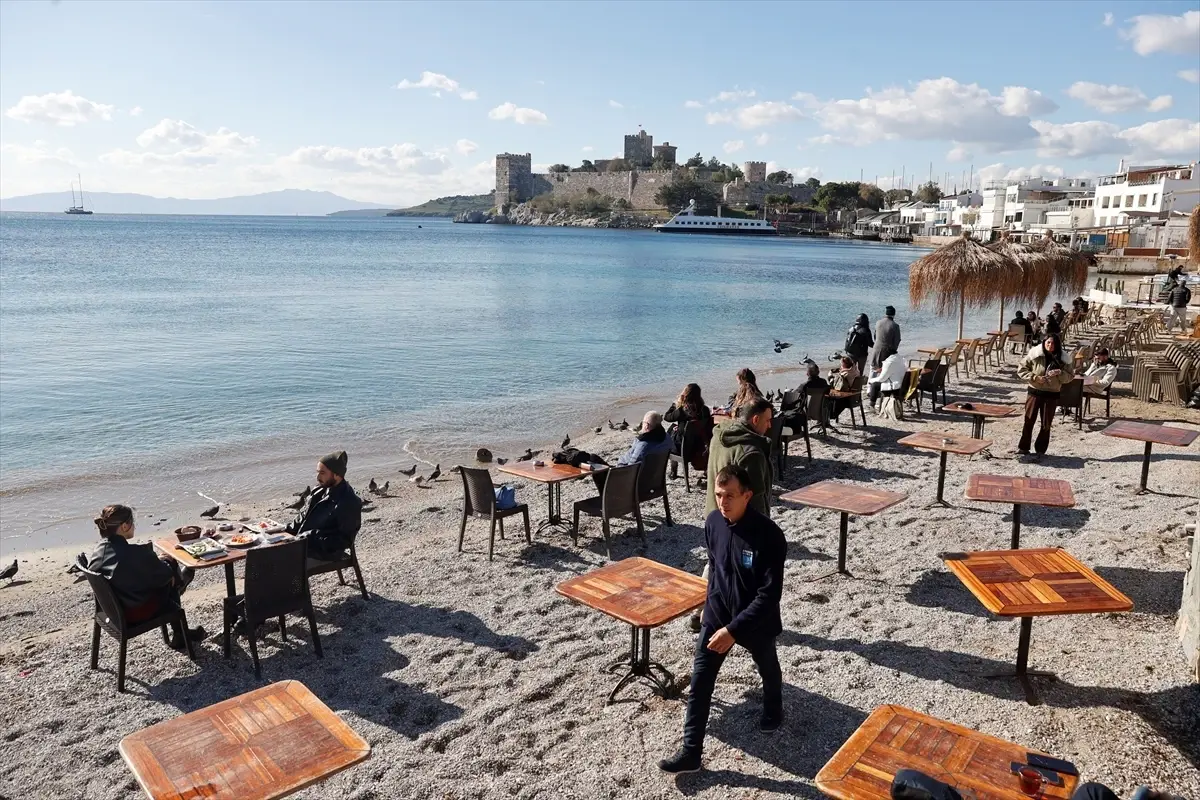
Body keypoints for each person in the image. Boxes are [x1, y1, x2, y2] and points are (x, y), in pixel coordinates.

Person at [659, 463, 786, 775]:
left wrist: (734, 630)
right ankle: (691, 752)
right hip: (717, 615)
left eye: (730, 495)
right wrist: (709, 610)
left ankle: (774, 709)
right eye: (718, 494)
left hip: (755, 621)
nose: (722, 501)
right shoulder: (713, 522)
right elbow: (715, 569)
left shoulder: (769, 536)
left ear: (747, 495)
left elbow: (769, 596)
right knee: (700, 680)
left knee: (767, 666)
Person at [690, 397, 774, 632]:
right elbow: (755, 498)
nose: (770, 425)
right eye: (767, 420)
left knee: (716, 563)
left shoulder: (720, 436)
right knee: (738, 570)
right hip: (738, 521)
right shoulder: (751, 452)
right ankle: (724, 616)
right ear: (755, 419)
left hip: (715, 511)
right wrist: (762, 530)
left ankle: (698, 610)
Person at [87, 504, 204, 649]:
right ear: (124, 526)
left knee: (164, 573)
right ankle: (180, 627)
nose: (134, 526)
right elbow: (164, 574)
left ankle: (179, 597)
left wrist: (154, 562)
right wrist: (166, 562)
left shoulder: (99, 551)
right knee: (170, 572)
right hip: (134, 613)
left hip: (112, 611)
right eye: (132, 522)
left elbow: (121, 568)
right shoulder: (134, 554)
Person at [287, 450, 363, 565]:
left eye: (322, 473)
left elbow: (344, 540)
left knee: (282, 563)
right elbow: (303, 516)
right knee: (265, 552)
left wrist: (310, 537)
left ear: (337, 474)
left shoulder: (348, 501)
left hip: (325, 553)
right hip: (303, 544)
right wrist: (283, 530)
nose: (317, 477)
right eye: (317, 472)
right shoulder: (319, 490)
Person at [1016, 334, 1073, 460]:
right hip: (1034, 392)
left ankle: (1041, 450)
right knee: (1029, 420)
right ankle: (1023, 447)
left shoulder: (1064, 359)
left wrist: (1060, 373)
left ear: (1057, 345)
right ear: (1044, 343)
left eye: (1053, 343)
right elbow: (1021, 369)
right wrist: (1035, 378)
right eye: (1048, 343)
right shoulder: (1035, 354)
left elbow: (1069, 377)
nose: (1050, 346)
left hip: (1051, 394)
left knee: (1046, 423)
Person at [664, 383, 714, 473]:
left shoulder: (682, 411)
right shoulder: (705, 410)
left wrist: (675, 404)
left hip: (683, 449)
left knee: (671, 430)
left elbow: (667, 417)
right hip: (699, 446)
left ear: (685, 394)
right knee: (676, 429)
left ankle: (673, 470)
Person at [867, 345, 907, 411]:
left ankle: (871, 406)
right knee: (876, 383)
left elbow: (882, 378)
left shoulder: (889, 362)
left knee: (875, 385)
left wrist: (871, 380)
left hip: (894, 387)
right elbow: (894, 370)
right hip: (902, 384)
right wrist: (883, 369)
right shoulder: (901, 359)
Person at [828, 356, 862, 421]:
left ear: (844, 364)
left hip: (847, 399)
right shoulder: (856, 371)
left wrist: (830, 376)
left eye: (841, 364)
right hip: (856, 397)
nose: (840, 365)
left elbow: (837, 386)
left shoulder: (845, 374)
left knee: (829, 394)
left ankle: (830, 415)